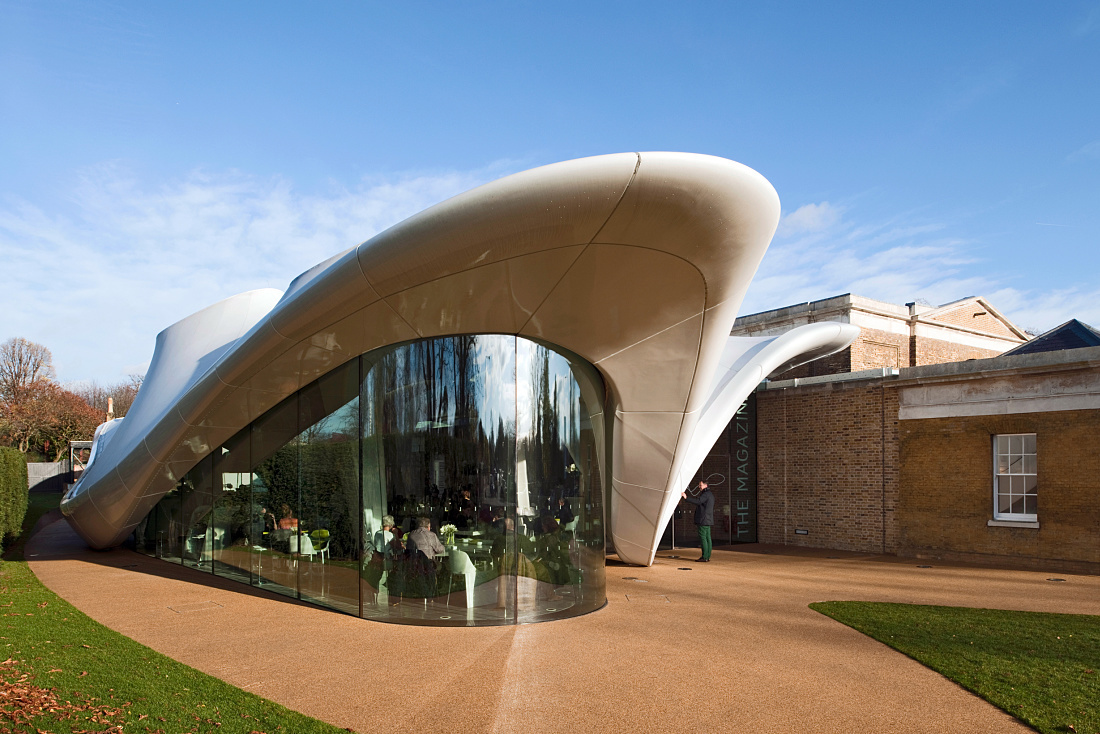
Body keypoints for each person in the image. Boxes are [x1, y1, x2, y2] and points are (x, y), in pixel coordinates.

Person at [681, 480, 715, 562]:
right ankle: (707, 556)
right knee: (708, 538)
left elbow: (698, 501)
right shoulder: (710, 494)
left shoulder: (705, 494)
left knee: (703, 538)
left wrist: (686, 498)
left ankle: (704, 557)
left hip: (703, 519)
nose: (699, 487)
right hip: (708, 519)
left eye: (700, 485)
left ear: (706, 485)